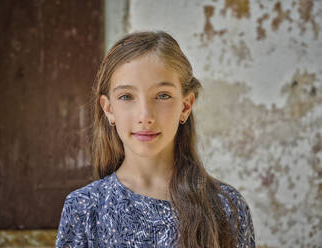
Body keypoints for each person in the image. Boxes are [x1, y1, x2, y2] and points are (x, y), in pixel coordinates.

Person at [56, 31, 255, 248]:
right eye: (126, 97)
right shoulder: (84, 209)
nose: (145, 116)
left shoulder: (226, 207)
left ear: (185, 106)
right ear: (109, 109)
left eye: (162, 96)